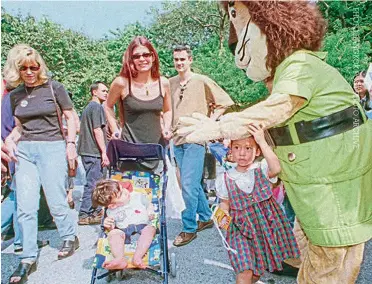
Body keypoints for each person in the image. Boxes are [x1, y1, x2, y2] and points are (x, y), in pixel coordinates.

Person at [178, 2, 372, 283]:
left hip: (334, 186)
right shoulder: (288, 70)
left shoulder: (301, 65)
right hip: (315, 183)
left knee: (332, 257)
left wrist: (220, 126)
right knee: (308, 244)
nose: (241, 59)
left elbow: (277, 108)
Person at [4, 44, 79, 284]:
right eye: (23, 68)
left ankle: (69, 235)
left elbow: (70, 116)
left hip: (53, 147)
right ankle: (27, 258)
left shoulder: (54, 88)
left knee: (56, 201)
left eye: (33, 67)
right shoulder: (15, 95)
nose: (29, 72)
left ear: (40, 67)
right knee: (25, 206)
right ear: (17, 69)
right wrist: (10, 139)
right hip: (25, 151)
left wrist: (70, 143)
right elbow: (19, 127)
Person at [216, 124, 300, 284]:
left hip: (264, 227)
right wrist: (222, 218)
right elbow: (224, 204)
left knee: (257, 272)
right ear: (231, 151)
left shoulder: (262, 169)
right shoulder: (225, 178)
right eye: (237, 147)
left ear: (257, 151)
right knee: (245, 271)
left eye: (248, 148)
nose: (242, 153)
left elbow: (276, 168)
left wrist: (262, 140)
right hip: (240, 229)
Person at [169, 45, 234, 247]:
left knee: (187, 185)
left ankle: (189, 228)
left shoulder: (202, 80)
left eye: (182, 59)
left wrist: (209, 122)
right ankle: (205, 216)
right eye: (176, 59)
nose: (179, 63)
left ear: (190, 60)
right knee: (193, 184)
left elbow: (224, 102)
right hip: (176, 140)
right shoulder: (169, 83)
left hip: (195, 140)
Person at [105, 36, 172, 167]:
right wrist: (115, 129)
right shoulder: (121, 83)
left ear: (153, 57)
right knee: (127, 187)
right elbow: (108, 106)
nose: (142, 59)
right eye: (136, 56)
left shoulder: (163, 83)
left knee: (156, 187)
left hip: (155, 151)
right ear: (131, 59)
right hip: (129, 152)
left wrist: (167, 128)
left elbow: (168, 110)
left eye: (146, 55)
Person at [92, 179, 156, 270]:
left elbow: (149, 204)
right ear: (113, 205)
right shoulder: (111, 211)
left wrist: (150, 212)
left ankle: (137, 257)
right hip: (123, 231)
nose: (125, 192)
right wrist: (109, 226)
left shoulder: (137, 196)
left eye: (122, 189)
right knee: (113, 234)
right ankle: (119, 259)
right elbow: (112, 228)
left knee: (150, 229)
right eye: (121, 194)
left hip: (142, 225)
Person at [77, 81, 110, 225]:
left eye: (107, 90)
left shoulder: (89, 108)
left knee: (95, 182)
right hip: (93, 152)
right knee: (94, 183)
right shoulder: (96, 107)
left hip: (87, 150)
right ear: (94, 92)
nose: (106, 93)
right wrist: (104, 152)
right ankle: (85, 213)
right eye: (103, 90)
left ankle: (95, 211)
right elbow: (97, 130)